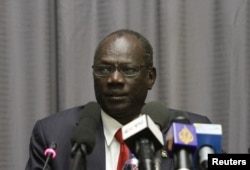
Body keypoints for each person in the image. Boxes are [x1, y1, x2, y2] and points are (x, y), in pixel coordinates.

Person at [25, 29, 211, 170]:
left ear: (150, 78)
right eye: (104, 69)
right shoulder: (52, 134)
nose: (114, 80)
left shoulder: (190, 130)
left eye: (128, 70)